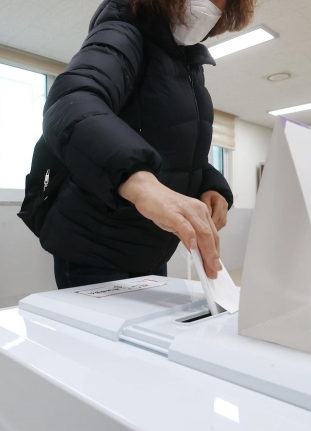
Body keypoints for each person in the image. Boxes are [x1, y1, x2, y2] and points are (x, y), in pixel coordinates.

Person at [40, 0, 255, 289]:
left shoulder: (187, 63)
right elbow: (73, 102)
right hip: (95, 246)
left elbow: (178, 147)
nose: (212, 6)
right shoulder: (123, 29)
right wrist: (142, 185)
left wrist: (212, 185)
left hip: (150, 247)